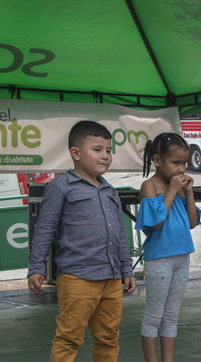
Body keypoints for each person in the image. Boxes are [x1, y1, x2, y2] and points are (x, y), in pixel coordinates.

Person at [27, 120, 135, 362]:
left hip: (111, 278)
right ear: (75, 153)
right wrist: (36, 267)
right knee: (69, 338)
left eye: (108, 150)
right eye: (97, 150)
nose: (106, 156)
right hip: (77, 278)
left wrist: (126, 269)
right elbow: (45, 228)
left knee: (108, 336)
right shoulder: (60, 186)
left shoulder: (109, 191)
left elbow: (119, 234)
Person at [136, 133, 200, 362]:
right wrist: (172, 191)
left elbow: (193, 222)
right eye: (175, 163)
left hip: (182, 257)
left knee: (172, 316)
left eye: (184, 163)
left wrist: (189, 192)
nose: (181, 169)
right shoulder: (149, 186)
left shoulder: (182, 188)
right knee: (154, 316)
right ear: (157, 160)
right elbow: (156, 222)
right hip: (159, 259)